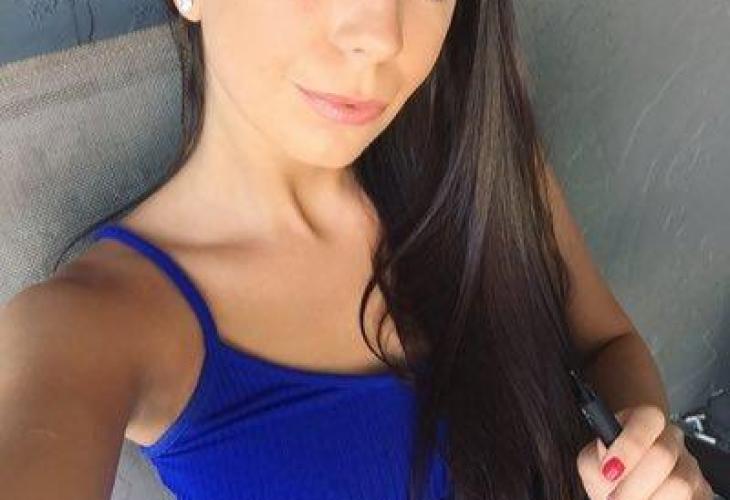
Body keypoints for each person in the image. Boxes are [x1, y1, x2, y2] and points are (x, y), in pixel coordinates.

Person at [0, 0, 715, 499]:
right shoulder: (94, 323)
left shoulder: (484, 173)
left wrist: (648, 459)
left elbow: (608, 344)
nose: (379, 32)